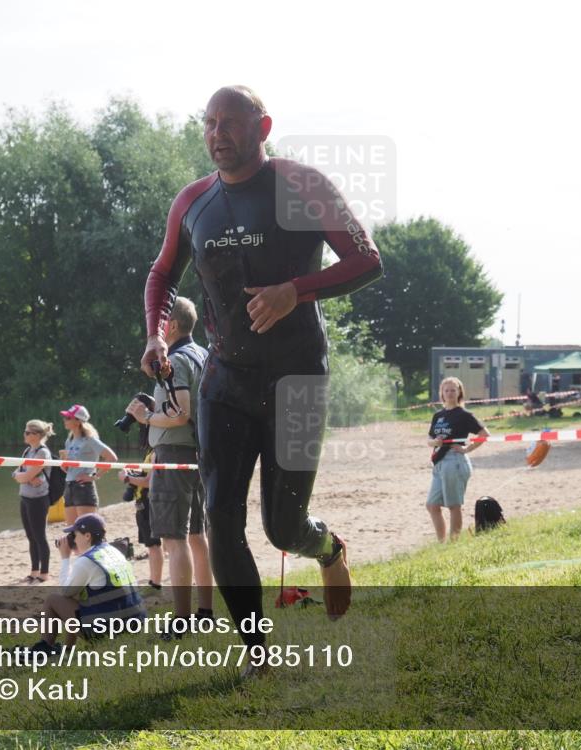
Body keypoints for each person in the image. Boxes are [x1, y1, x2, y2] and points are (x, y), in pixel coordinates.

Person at [141, 85, 382, 668]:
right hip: (225, 380)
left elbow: (367, 260)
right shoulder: (192, 201)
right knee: (222, 517)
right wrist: (154, 332)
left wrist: (294, 290)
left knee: (281, 525)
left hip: (299, 377)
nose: (216, 133)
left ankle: (327, 548)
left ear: (263, 126)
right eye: (208, 123)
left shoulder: (302, 185)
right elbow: (161, 274)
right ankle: (256, 651)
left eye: (229, 122)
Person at [127, 297, 213, 636]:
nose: (154, 332)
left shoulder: (175, 359)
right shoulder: (203, 354)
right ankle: (204, 611)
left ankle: (181, 620)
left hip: (174, 454)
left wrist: (145, 416)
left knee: (174, 539)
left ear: (172, 325)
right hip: (199, 455)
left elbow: (180, 414)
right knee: (197, 536)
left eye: (158, 324)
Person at [31, 513, 145, 654]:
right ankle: (68, 649)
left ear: (87, 536)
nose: (74, 539)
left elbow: (65, 591)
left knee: (53, 600)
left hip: (109, 631)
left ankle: (45, 647)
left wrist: (65, 558)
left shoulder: (86, 561)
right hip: (135, 624)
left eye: (75, 535)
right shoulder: (114, 551)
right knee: (78, 595)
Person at [426, 377, 489, 541]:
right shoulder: (438, 415)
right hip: (439, 462)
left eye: (453, 390)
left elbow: (484, 435)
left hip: (455, 461)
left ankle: (454, 543)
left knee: (454, 505)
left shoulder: (464, 415)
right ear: (441, 393)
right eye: (446, 390)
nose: (449, 393)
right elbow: (429, 439)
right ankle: (441, 542)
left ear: (459, 392)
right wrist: (435, 442)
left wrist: (467, 449)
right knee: (432, 505)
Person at [119, 393, 163, 591]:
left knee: (154, 546)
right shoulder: (150, 450)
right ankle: (155, 580)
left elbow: (149, 482)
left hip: (150, 502)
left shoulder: (156, 450)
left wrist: (128, 478)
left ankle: (155, 583)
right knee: (152, 545)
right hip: (143, 502)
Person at [59, 405, 117, 527]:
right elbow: (67, 469)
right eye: (65, 417)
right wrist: (64, 464)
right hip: (69, 485)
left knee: (87, 530)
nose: (65, 420)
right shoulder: (69, 440)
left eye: (68, 417)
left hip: (83, 487)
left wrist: (94, 476)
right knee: (72, 532)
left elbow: (112, 458)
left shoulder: (89, 439)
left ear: (78, 421)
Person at [13, 420, 55, 583]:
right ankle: (34, 571)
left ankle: (44, 573)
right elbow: (17, 473)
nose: (24, 435)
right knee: (30, 536)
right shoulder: (27, 451)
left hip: (38, 499)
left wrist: (25, 477)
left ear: (37, 435)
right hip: (25, 498)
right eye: (25, 432)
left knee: (40, 536)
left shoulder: (42, 453)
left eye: (28, 432)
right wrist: (24, 477)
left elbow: (25, 475)